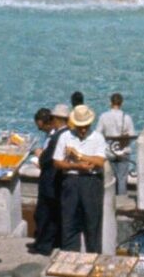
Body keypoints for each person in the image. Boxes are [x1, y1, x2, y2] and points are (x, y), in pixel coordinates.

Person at [54, 104, 108, 253]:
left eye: (85, 126)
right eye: (80, 126)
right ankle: (70, 258)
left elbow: (99, 161)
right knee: (69, 222)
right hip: (71, 182)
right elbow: (57, 162)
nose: (83, 130)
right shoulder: (65, 137)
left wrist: (78, 156)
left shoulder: (98, 138)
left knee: (93, 223)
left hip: (91, 183)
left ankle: (93, 257)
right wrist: (79, 166)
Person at [27, 106, 64, 255]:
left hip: (49, 181)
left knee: (44, 214)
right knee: (48, 215)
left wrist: (39, 155)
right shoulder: (53, 135)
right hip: (51, 180)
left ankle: (44, 245)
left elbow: (48, 158)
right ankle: (47, 242)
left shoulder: (54, 138)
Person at [98, 93, 135, 196]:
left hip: (109, 151)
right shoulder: (127, 118)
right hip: (123, 151)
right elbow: (132, 135)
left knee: (110, 179)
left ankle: (110, 202)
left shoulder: (103, 117)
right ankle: (121, 203)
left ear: (110, 103)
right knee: (122, 179)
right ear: (121, 103)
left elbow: (98, 134)